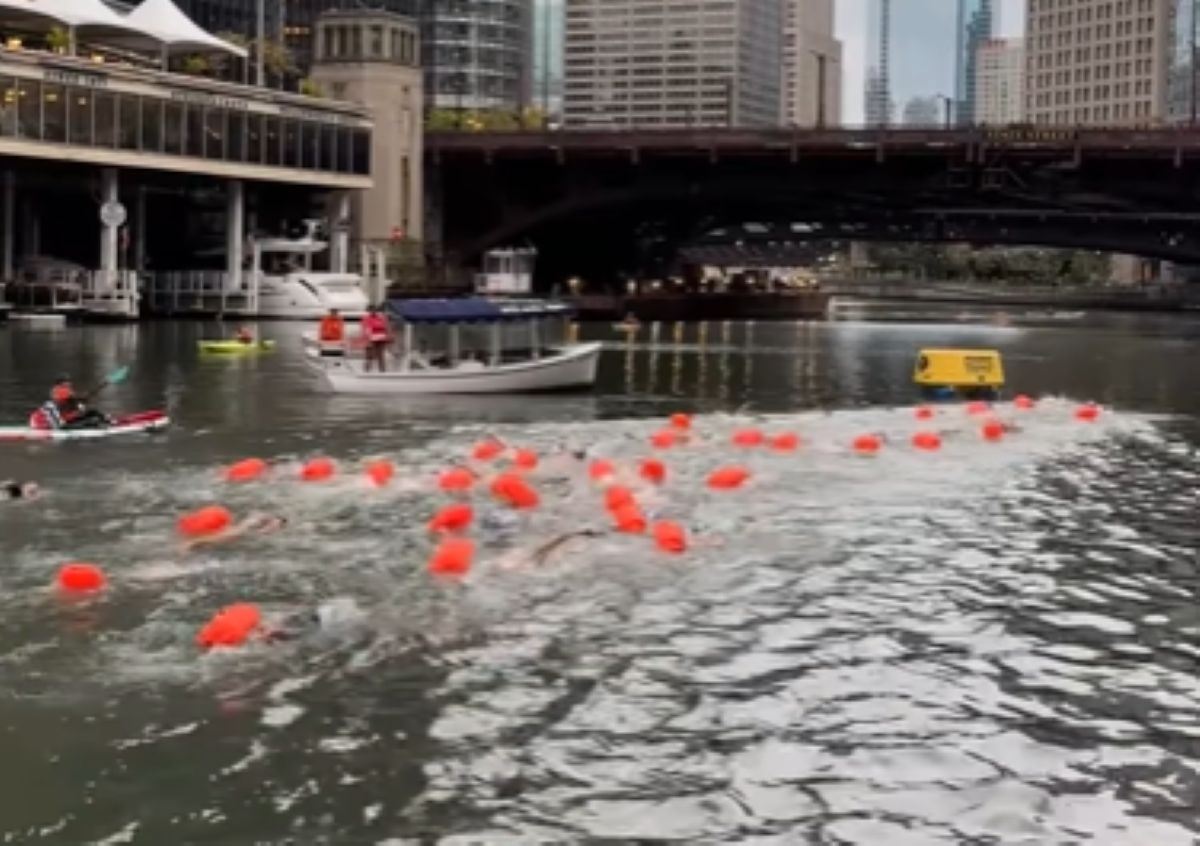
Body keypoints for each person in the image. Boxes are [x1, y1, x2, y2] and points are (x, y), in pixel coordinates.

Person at [180, 513, 288, 553]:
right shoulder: (242, 530)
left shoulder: (249, 526)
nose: (272, 529)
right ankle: (191, 543)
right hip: (239, 530)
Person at [32, 378, 108, 430]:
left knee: (93, 413)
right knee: (91, 422)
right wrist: (90, 424)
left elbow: (76, 402)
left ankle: (109, 421)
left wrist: (80, 406)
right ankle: (100, 424)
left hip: (59, 421)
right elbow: (61, 426)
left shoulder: (67, 400)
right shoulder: (54, 405)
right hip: (43, 424)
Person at [361, 306, 391, 373]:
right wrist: (367, 339)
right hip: (371, 339)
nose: (373, 311)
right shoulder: (366, 318)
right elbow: (365, 329)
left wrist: (388, 336)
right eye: (371, 310)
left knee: (381, 355)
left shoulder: (381, 318)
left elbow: (386, 327)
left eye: (374, 310)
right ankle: (367, 370)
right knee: (369, 355)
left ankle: (382, 370)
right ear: (369, 311)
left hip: (381, 338)